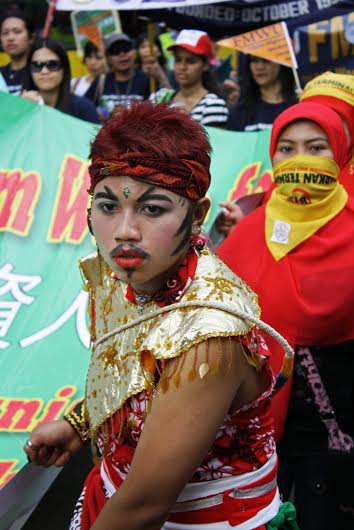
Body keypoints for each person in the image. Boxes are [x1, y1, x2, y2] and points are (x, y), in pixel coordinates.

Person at [24, 101, 298, 530]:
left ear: (198, 216)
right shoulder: (129, 270)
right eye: (108, 205)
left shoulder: (209, 334)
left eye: (152, 209)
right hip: (112, 491)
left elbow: (144, 506)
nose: (125, 230)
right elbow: (130, 371)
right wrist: (81, 422)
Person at [218, 102, 354, 530]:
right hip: (256, 427)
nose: (299, 159)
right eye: (287, 148)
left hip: (336, 423)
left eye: (316, 147)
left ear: (341, 153)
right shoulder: (249, 230)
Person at [214, 71, 354, 241]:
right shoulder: (288, 176)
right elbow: (277, 237)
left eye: (333, 118)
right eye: (287, 148)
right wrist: (245, 229)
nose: (301, 157)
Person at [151, 30, 229, 127]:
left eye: (191, 61)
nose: (182, 67)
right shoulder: (160, 97)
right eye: (178, 60)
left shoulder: (214, 105)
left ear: (205, 65)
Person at [21, 38, 100, 124]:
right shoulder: (20, 106)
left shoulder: (83, 108)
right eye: (37, 65)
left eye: (52, 64)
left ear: (64, 69)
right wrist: (23, 110)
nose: (44, 71)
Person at [85, 32, 150, 121]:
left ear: (134, 53)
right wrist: (97, 116)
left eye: (126, 49)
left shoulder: (146, 79)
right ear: (108, 58)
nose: (122, 54)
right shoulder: (101, 81)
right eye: (115, 51)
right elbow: (84, 109)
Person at [227, 56, 297, 132]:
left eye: (266, 60)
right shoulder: (239, 112)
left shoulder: (298, 106)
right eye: (254, 60)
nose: (260, 67)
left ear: (281, 62)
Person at [0, 9, 34, 95]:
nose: (10, 38)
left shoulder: (40, 72)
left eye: (17, 32)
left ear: (31, 38)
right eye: (5, 33)